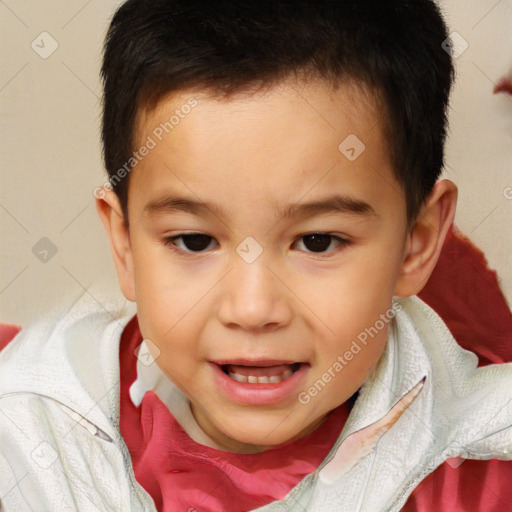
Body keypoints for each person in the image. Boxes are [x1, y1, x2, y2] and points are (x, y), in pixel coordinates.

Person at [1, 0, 511, 510]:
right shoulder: (28, 442)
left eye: (317, 242)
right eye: (194, 241)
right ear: (125, 244)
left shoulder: (481, 478)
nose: (252, 309)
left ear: (416, 243)